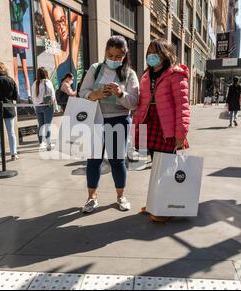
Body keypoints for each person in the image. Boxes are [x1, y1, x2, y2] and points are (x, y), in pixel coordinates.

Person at [79, 35, 139, 214]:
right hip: (96, 119)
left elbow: (134, 101)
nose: (113, 60)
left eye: (117, 57)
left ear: (125, 54)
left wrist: (120, 93)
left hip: (119, 119)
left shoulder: (129, 73)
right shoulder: (95, 69)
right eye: (110, 55)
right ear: (105, 52)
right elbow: (83, 91)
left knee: (117, 161)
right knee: (94, 160)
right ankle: (92, 198)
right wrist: (95, 94)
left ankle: (121, 196)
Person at [133, 38, 190, 222]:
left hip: (167, 128)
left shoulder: (176, 75)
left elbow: (183, 106)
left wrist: (180, 134)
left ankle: (166, 208)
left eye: (155, 52)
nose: (151, 56)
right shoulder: (146, 75)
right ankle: (154, 203)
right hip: (149, 125)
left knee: (166, 169)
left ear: (165, 54)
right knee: (156, 168)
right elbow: (141, 102)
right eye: (149, 52)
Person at [39, 0, 82, 89]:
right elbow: (43, 2)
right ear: (54, 26)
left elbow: (79, 13)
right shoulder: (57, 53)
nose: (61, 27)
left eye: (63, 21)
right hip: (60, 101)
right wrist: (60, 19)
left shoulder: (73, 48)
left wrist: (64, 21)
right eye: (58, 23)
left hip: (72, 100)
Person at [10, 0, 32, 102]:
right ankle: (25, 94)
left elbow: (26, 3)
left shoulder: (16, 7)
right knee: (21, 69)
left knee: (19, 70)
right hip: (18, 37)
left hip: (16, 37)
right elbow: (26, 3)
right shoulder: (20, 7)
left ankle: (23, 94)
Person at [32, 67, 56, 151]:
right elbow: (52, 95)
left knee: (41, 125)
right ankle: (48, 143)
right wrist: (55, 106)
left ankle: (41, 143)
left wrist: (35, 107)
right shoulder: (48, 82)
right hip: (47, 106)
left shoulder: (35, 83)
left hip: (38, 106)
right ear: (46, 73)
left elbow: (33, 97)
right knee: (47, 125)